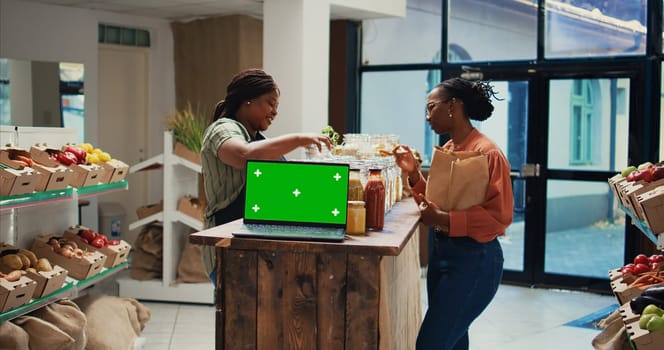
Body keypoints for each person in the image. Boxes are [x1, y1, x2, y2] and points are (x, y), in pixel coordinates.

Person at [392, 77, 514, 350]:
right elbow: (437, 202)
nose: (427, 117)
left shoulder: (489, 153)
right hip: (444, 253)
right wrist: (413, 173)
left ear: (453, 106)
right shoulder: (448, 150)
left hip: (476, 260)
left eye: (431, 107)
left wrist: (444, 220)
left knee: (430, 344)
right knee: (455, 342)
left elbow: (499, 217)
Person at [200, 68, 332, 281]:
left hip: (255, 248)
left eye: (277, 106)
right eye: (270, 103)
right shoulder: (223, 130)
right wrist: (298, 139)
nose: (275, 112)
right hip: (229, 248)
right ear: (247, 101)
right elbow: (244, 156)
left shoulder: (259, 140)